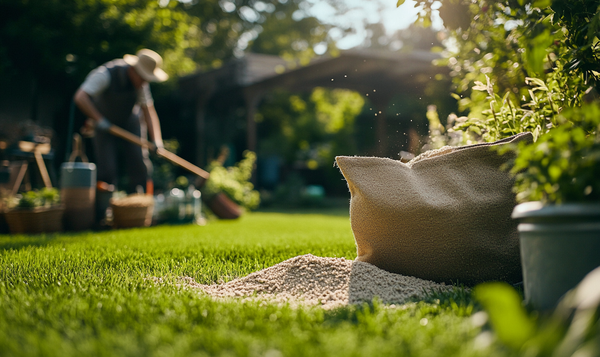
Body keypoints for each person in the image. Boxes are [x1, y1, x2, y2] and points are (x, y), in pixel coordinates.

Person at [73, 48, 168, 196]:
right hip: (103, 124)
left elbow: (148, 111)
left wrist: (156, 140)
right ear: (133, 69)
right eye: (143, 77)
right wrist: (100, 120)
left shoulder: (141, 83)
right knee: (107, 169)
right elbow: (80, 97)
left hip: (130, 122)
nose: (145, 82)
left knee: (140, 164)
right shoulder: (105, 74)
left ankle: (141, 204)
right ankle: (105, 209)